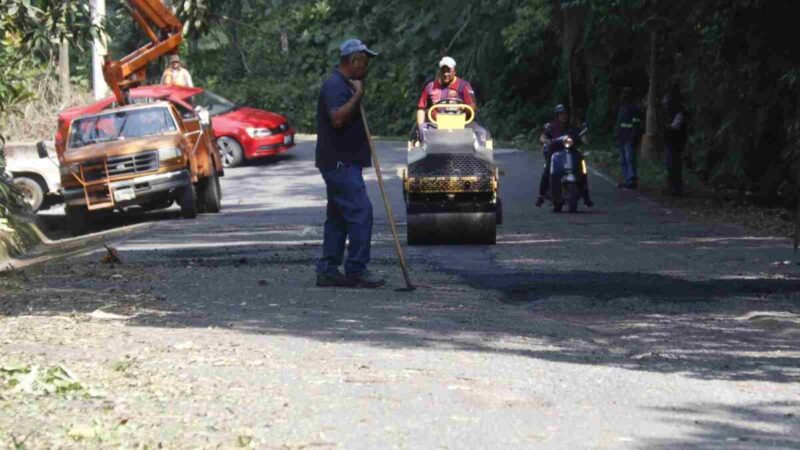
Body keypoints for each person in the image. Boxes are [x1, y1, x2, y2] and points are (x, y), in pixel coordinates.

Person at [314, 38, 385, 288]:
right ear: (353, 61)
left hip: (342, 161)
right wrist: (359, 95)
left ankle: (328, 270)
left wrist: (356, 92)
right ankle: (356, 268)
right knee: (361, 212)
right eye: (364, 62)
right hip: (339, 163)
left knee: (338, 217)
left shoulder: (347, 84)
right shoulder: (335, 86)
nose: (366, 68)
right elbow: (337, 119)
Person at [415, 56, 489, 145]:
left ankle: (480, 154)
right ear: (439, 71)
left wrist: (464, 108)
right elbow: (421, 108)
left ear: (454, 71)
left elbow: (472, 106)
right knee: (421, 131)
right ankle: (424, 152)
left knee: (481, 132)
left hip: (462, 124)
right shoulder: (430, 87)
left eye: (449, 71)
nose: (446, 74)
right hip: (436, 125)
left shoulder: (464, 86)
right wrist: (420, 126)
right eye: (443, 71)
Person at [536, 104, 593, 208]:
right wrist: (546, 141)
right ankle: (541, 195)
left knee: (583, 169)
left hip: (572, 152)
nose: (564, 116)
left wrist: (585, 139)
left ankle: (586, 196)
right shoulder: (552, 127)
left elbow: (582, 136)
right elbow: (543, 137)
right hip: (556, 153)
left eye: (565, 114)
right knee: (547, 170)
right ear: (557, 115)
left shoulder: (572, 127)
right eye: (561, 114)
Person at [615, 87, 642, 189]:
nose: (623, 96)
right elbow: (619, 124)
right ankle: (627, 179)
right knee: (623, 160)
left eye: (626, 94)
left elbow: (636, 124)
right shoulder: (622, 108)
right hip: (622, 137)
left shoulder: (634, 109)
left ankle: (632, 180)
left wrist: (634, 137)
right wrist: (617, 135)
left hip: (629, 138)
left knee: (630, 159)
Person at [663, 92, 687, 196]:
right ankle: (671, 188)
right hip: (670, 143)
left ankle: (676, 189)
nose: (666, 106)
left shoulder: (678, 114)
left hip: (676, 144)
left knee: (675, 166)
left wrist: (667, 127)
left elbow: (675, 128)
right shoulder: (670, 115)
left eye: (667, 104)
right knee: (670, 166)